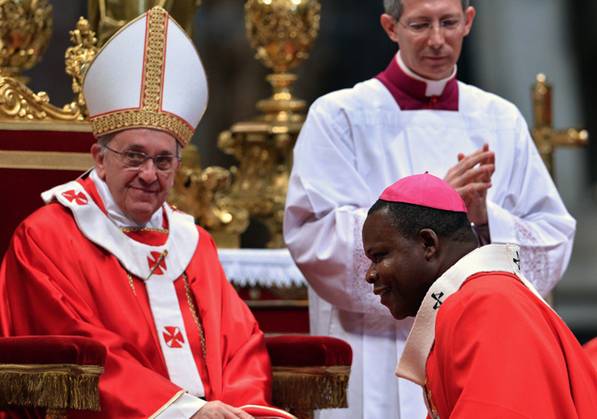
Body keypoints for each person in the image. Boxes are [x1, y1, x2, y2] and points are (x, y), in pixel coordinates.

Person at [283, 0, 576, 417]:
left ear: (468, 22)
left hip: (476, 342)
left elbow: (551, 236)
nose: (437, 40)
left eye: (448, 22)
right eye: (420, 24)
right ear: (390, 26)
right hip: (378, 346)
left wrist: (484, 221)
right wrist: (436, 202)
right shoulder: (339, 115)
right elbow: (314, 236)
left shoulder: (500, 118)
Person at [0, 7, 294, 419]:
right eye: (134, 157)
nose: (149, 175)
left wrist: (236, 410)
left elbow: (240, 342)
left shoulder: (194, 243)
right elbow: (77, 349)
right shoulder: (48, 237)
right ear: (99, 159)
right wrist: (184, 411)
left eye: (164, 161)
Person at [362, 173, 597, 418]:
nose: (369, 274)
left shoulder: (486, 304)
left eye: (379, 256)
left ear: (428, 243)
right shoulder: (476, 298)